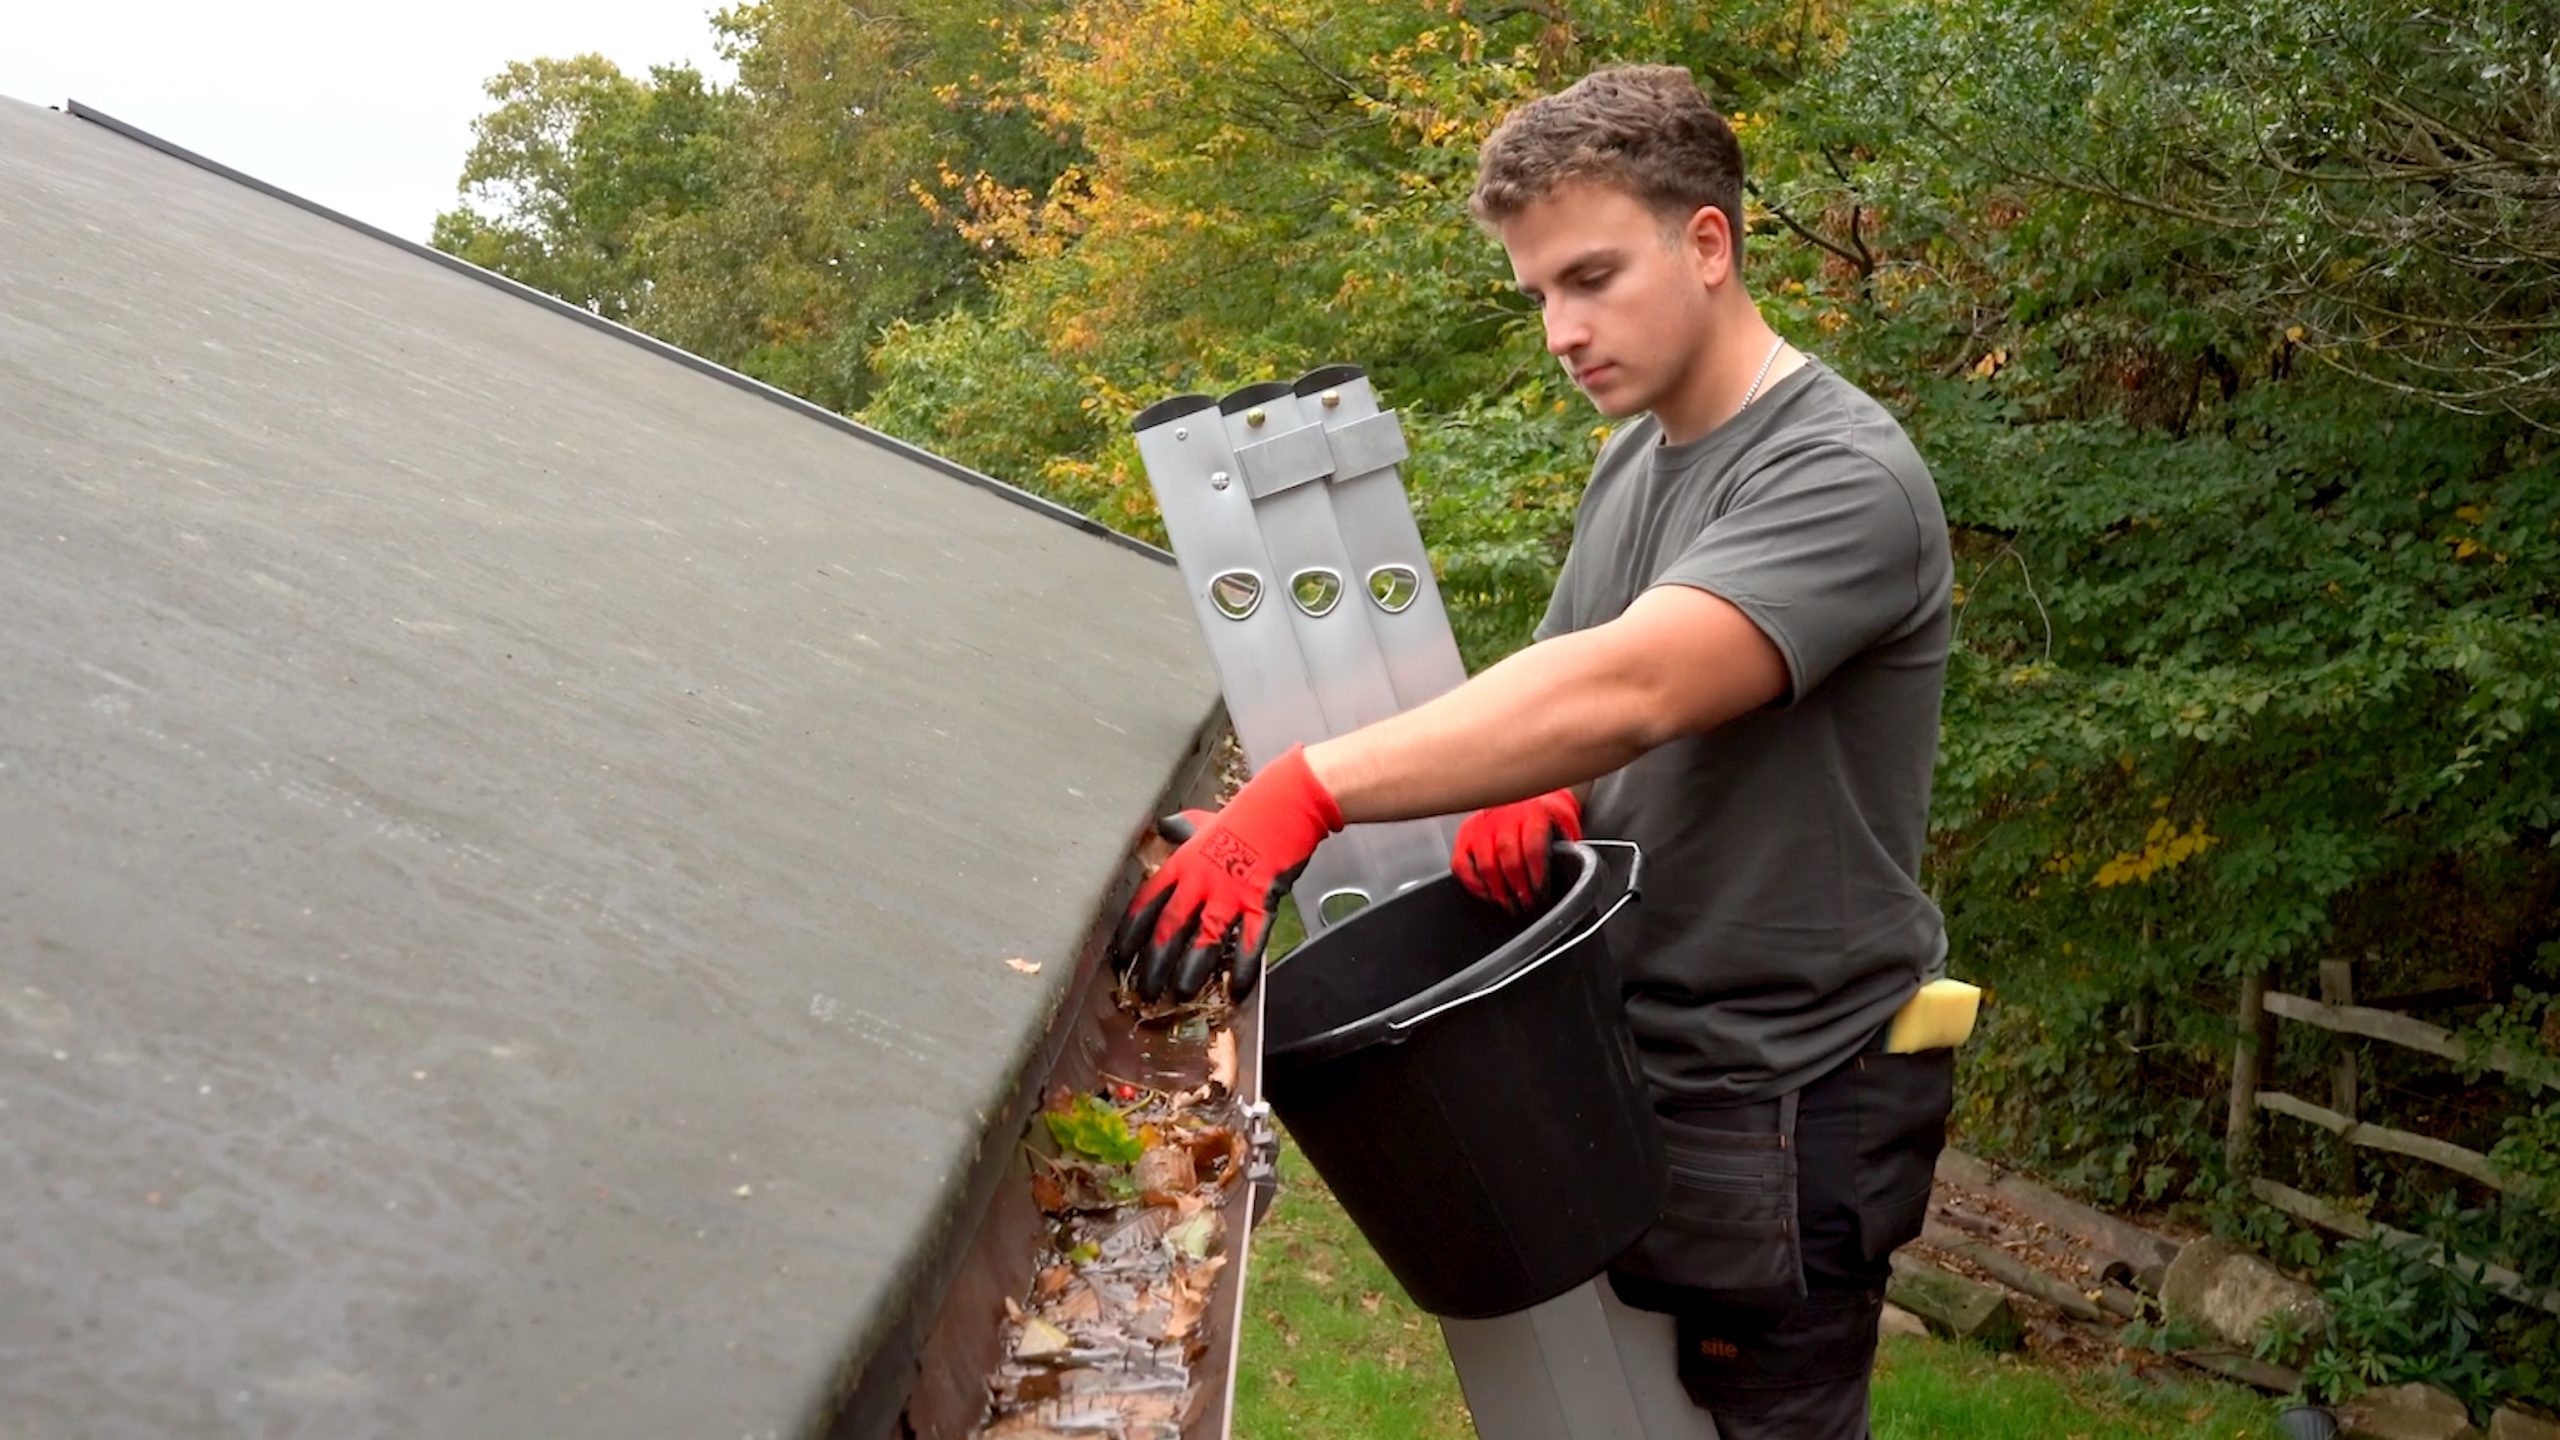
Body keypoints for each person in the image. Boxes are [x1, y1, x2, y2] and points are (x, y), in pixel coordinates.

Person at [1113, 63, 1955, 1438]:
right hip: (1622, 1060)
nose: (1563, 330)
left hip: (1779, 1100)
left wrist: (1309, 795)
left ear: (1708, 243)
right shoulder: (1641, 458)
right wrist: (1553, 784)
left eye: (1592, 277)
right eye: (1539, 297)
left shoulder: (1840, 475)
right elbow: (1579, 697)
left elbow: (1631, 683)